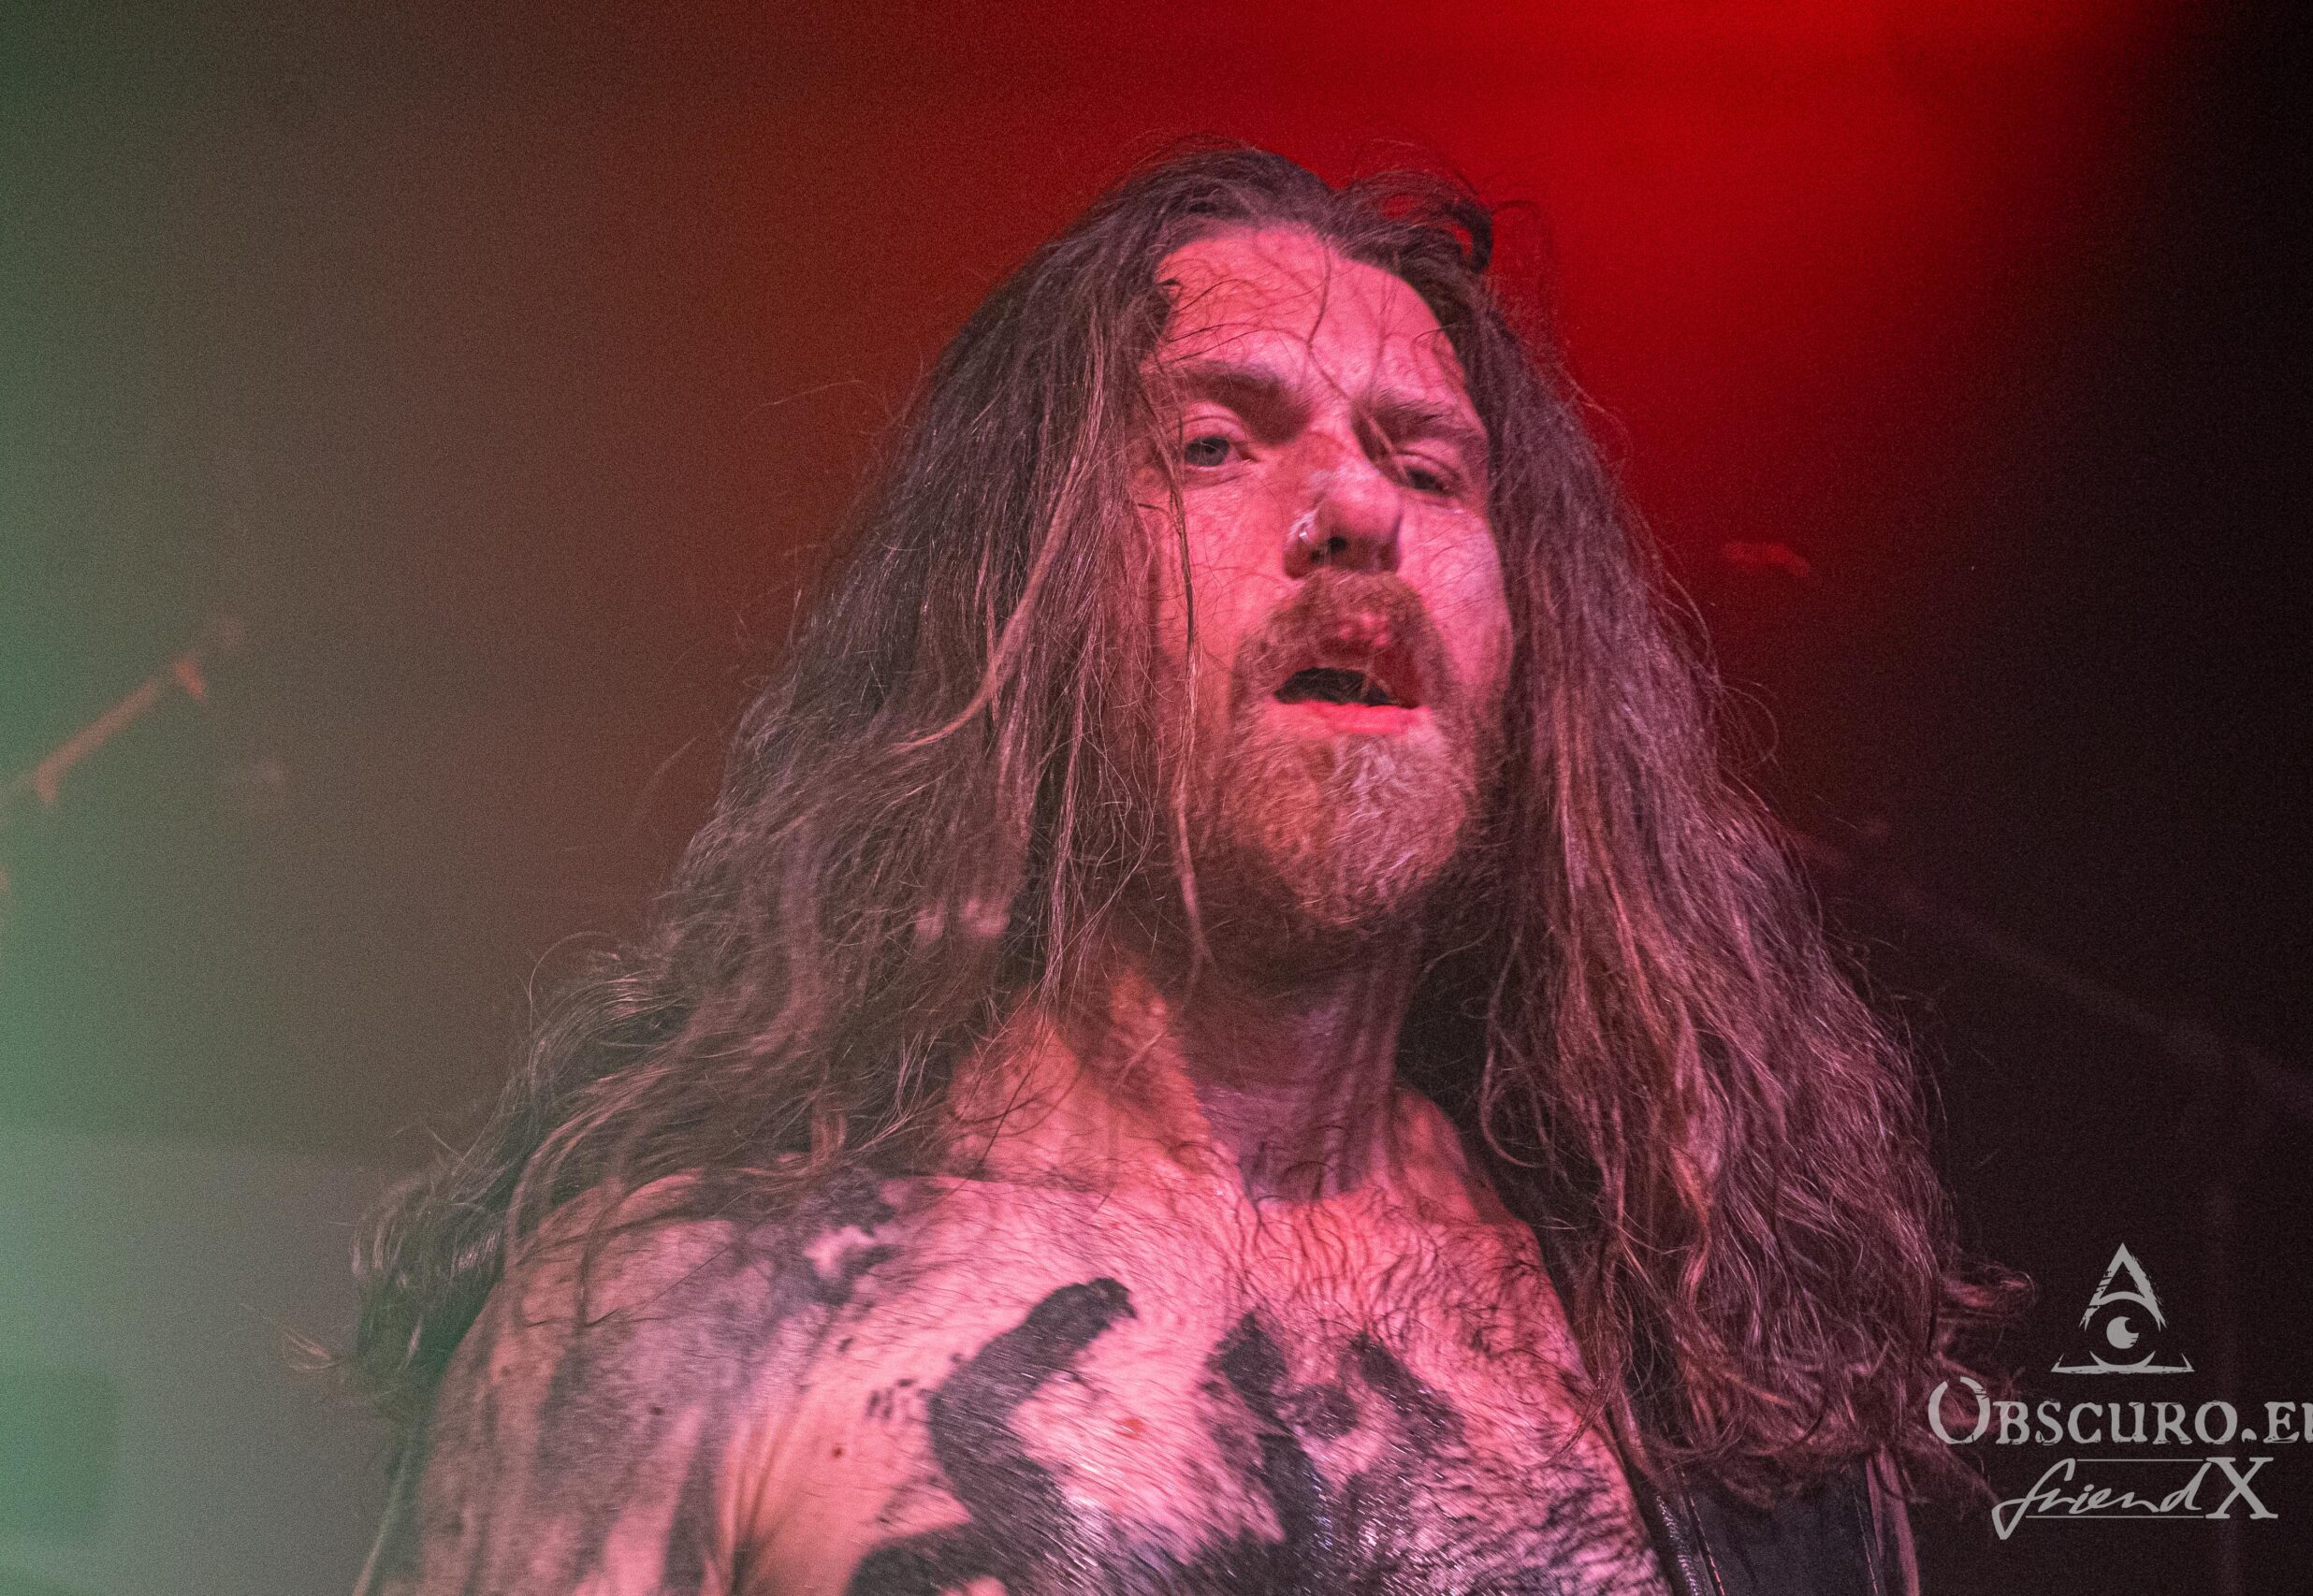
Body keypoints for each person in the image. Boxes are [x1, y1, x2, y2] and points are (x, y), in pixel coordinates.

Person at [348, 144, 2006, 1595]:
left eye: (1430, 469)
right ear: (1024, 597)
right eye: (1217, 444)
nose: (1355, 505)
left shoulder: (1718, 1379)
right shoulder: (690, 1321)